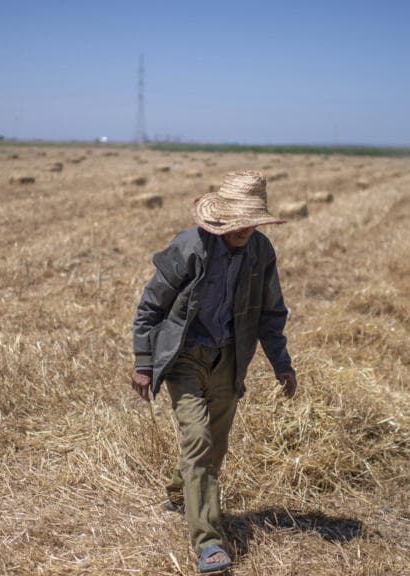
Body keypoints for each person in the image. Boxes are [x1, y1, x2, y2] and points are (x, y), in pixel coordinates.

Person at [131, 169, 298, 574]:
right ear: (221, 216)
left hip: (229, 358)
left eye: (250, 223)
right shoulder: (190, 248)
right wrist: (143, 361)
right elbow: (151, 305)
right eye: (237, 222)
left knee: (214, 447)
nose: (244, 230)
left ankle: (179, 492)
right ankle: (208, 542)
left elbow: (271, 314)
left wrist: (282, 363)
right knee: (198, 442)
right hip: (184, 358)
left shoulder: (261, 253)